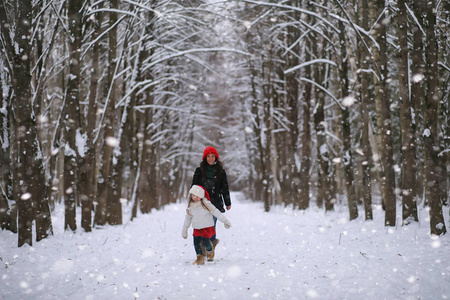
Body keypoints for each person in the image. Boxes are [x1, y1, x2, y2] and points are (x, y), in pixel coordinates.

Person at [192, 146, 231, 250]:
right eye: (208, 156)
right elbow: (194, 187)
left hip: (216, 202)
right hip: (202, 203)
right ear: (205, 158)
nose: (210, 158)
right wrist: (193, 200)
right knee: (202, 225)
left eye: (212, 156)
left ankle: (210, 247)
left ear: (216, 157)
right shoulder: (199, 171)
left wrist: (228, 202)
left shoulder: (220, 171)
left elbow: (225, 187)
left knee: (211, 226)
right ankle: (203, 246)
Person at [182, 185, 231, 265]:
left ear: (201, 196)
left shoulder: (206, 204)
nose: (195, 198)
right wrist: (185, 229)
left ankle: (210, 249)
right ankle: (200, 258)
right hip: (197, 228)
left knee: (206, 243)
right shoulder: (191, 206)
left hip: (207, 227)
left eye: (197, 196)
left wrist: (225, 221)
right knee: (196, 243)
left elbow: (216, 212)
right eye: (193, 195)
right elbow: (188, 218)